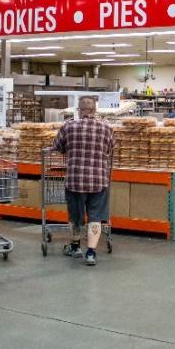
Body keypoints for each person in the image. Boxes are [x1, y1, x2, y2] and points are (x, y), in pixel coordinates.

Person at [53, 96, 115, 266]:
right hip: (98, 180)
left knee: (75, 216)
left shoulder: (68, 126)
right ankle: (91, 253)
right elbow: (110, 149)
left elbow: (58, 146)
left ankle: (75, 247)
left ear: (79, 110)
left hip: (75, 180)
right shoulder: (107, 128)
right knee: (95, 216)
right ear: (95, 110)